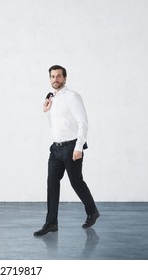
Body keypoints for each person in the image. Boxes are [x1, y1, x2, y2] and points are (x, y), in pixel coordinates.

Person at [34, 65, 100, 237]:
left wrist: (79, 147)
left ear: (65, 78)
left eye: (58, 76)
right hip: (55, 148)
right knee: (52, 184)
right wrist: (46, 112)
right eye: (52, 76)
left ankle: (92, 211)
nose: (55, 79)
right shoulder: (52, 99)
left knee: (76, 182)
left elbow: (83, 123)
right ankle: (51, 223)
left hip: (71, 147)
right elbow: (54, 126)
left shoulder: (72, 97)